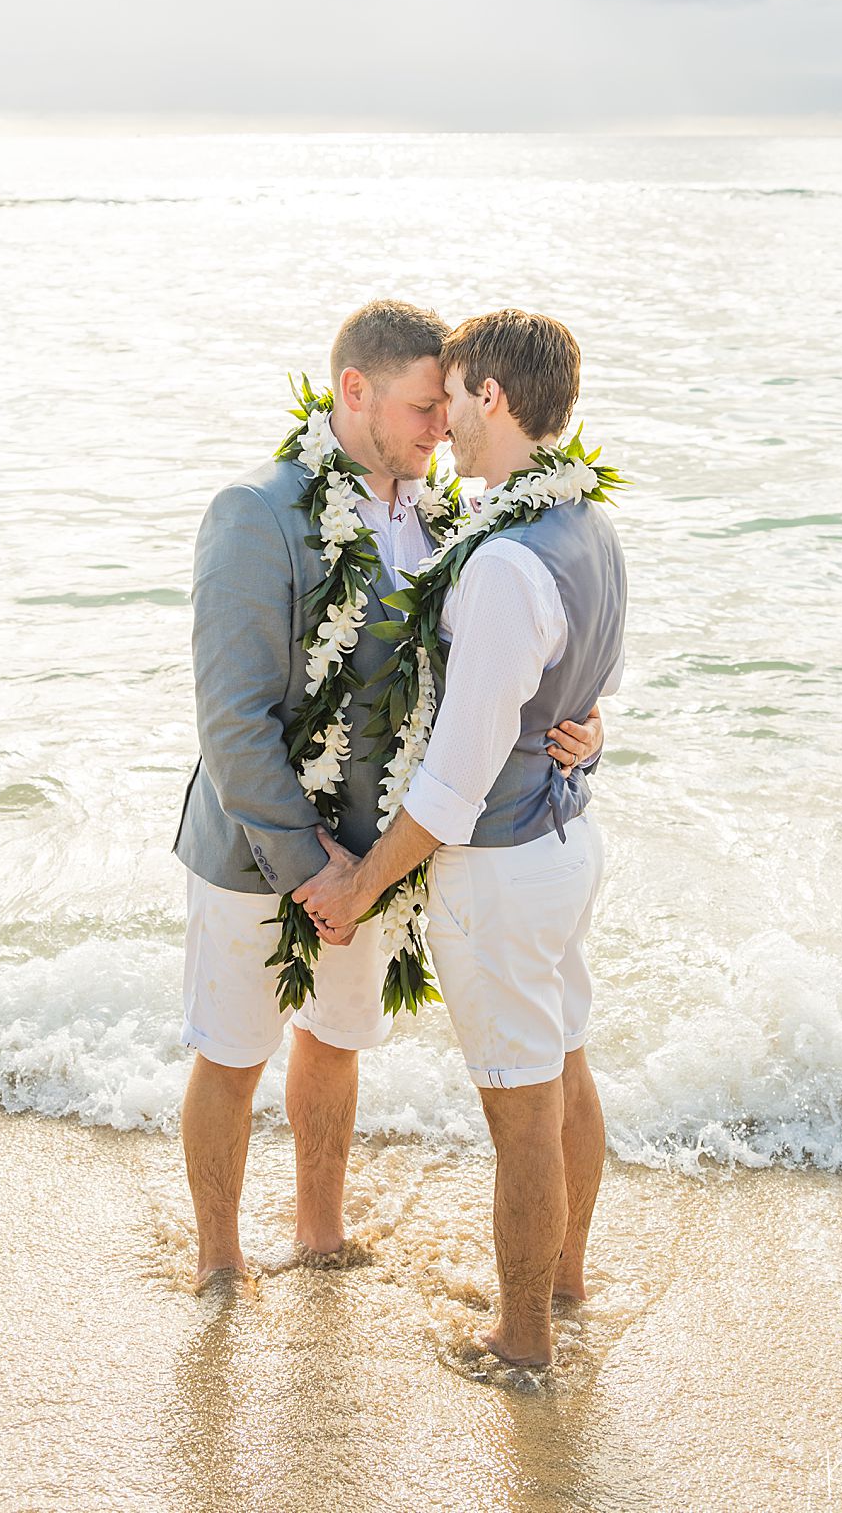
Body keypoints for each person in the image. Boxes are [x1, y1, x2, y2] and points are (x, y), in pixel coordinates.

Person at [172, 299, 604, 1284]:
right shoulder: (258, 511)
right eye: (421, 407)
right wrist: (308, 864)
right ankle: (218, 1261)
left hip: (372, 859)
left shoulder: (445, 511)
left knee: (334, 1043)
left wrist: (582, 732)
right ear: (353, 392)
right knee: (232, 1054)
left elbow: (500, 673)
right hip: (259, 853)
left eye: (444, 408)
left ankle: (319, 1233)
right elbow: (230, 721)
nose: (440, 427)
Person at [293, 309, 627, 1365]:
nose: (444, 424)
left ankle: (523, 1337)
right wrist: (587, 734)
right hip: (569, 846)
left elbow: (449, 786)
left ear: (495, 398)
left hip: (501, 870)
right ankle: (565, 1283)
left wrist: (358, 888)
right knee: (565, 1066)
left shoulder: (502, 568)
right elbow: (595, 683)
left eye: (457, 398)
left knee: (521, 1111)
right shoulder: (586, 529)